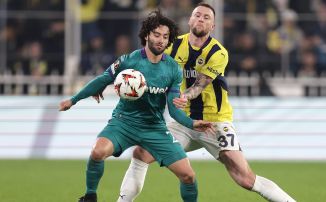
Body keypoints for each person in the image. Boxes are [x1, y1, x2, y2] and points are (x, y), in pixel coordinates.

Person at [116, 3, 296, 202]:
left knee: (244, 178)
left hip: (215, 122)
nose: (201, 19)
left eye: (206, 17)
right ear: (190, 20)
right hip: (184, 122)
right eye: (197, 15)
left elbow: (200, 84)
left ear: (212, 26)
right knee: (141, 153)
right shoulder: (173, 46)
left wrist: (184, 97)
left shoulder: (219, 52)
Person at [59, 11, 214, 202]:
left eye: (165, 37)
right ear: (147, 35)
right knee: (97, 152)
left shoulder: (173, 68)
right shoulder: (129, 60)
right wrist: (73, 100)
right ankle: (90, 195)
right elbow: (103, 79)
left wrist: (192, 123)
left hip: (154, 128)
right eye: (157, 35)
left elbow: (174, 109)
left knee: (188, 176)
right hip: (124, 122)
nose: (160, 40)